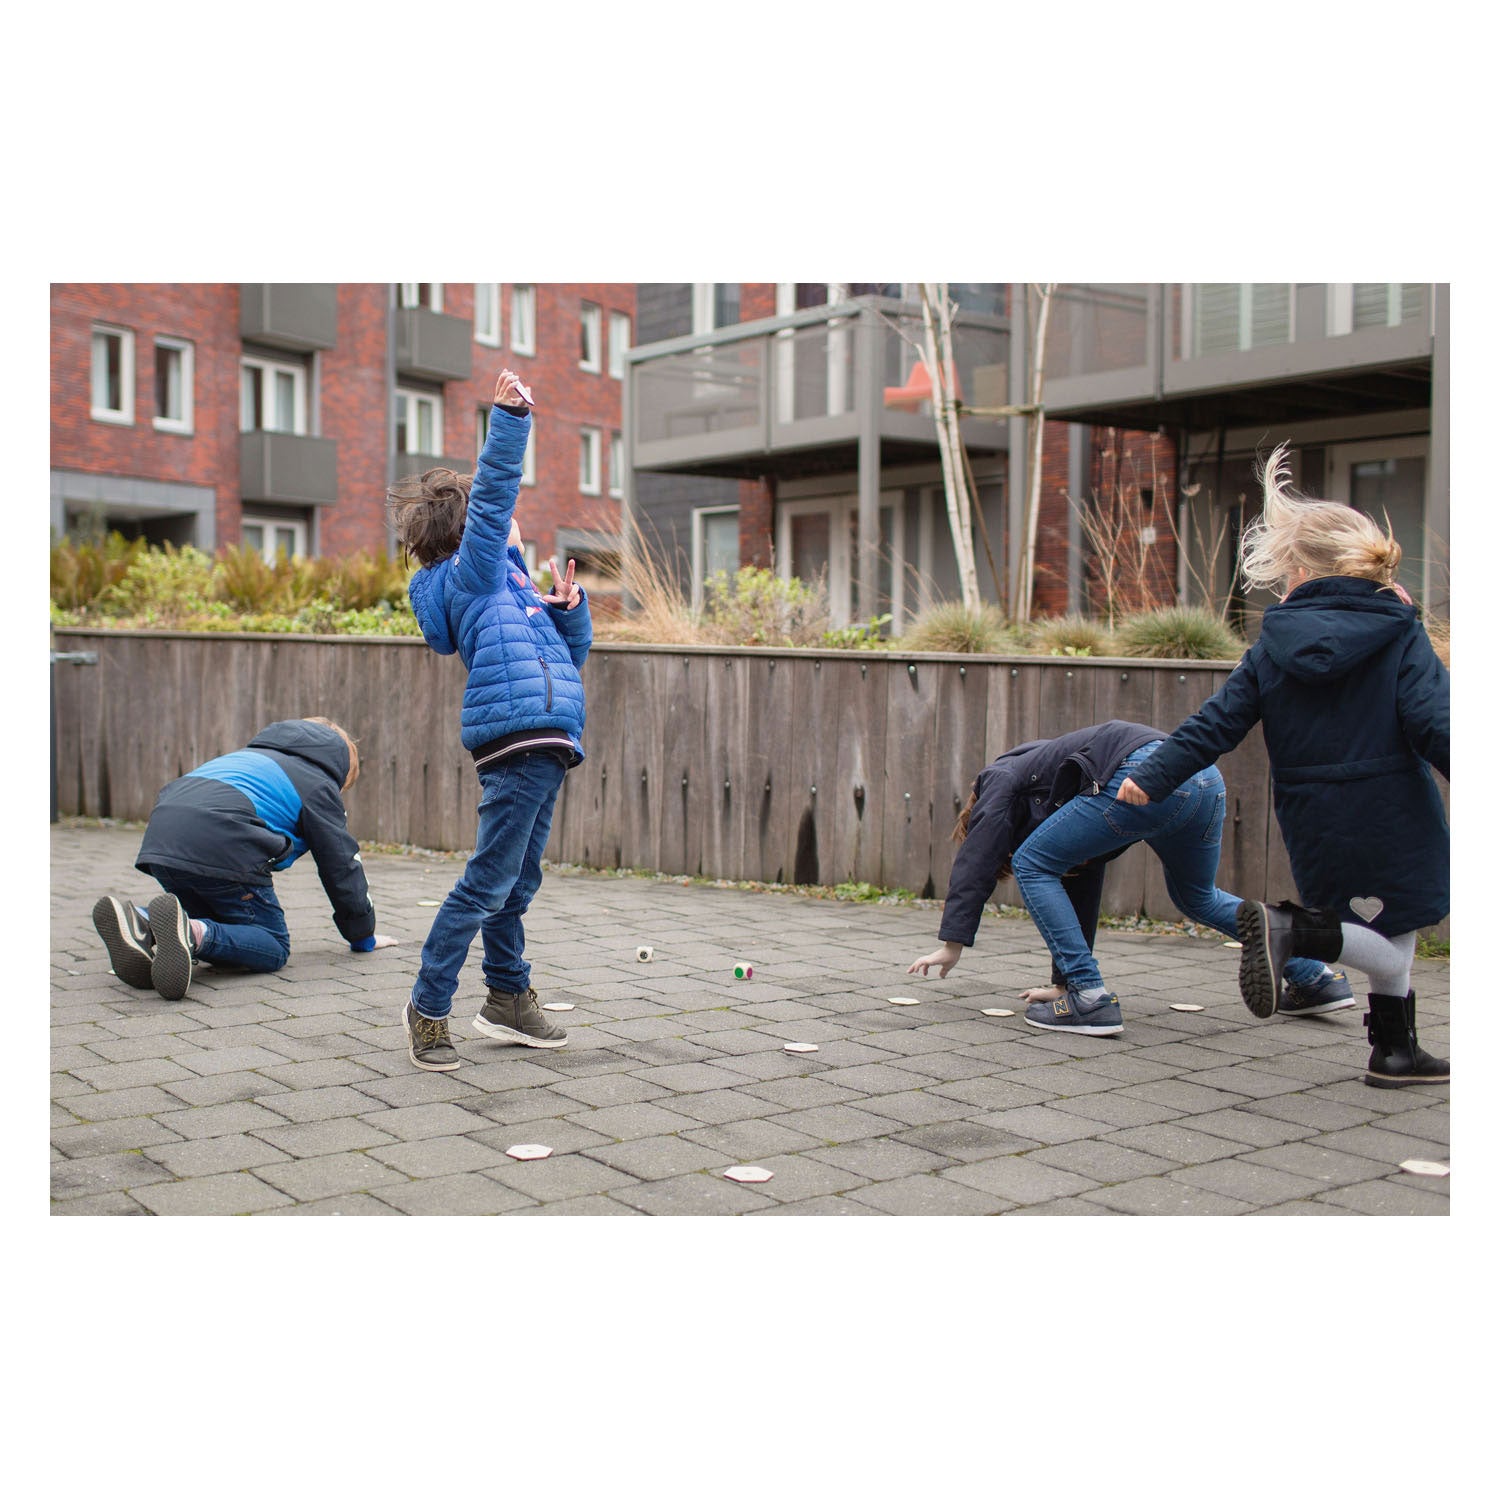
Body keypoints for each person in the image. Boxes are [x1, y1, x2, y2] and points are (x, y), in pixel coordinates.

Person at [1116, 442, 1449, 1088]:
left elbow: (1217, 724)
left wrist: (1153, 775)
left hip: (1314, 817)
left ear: (1301, 571)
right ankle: (1292, 932)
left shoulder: (1273, 645)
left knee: (1390, 934)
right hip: (1392, 811)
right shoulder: (1398, 632)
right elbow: (1436, 722)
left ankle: (1395, 1051)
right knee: (1392, 927)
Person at [388, 368, 591, 1073]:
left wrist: (573, 612)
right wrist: (508, 420)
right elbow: (497, 488)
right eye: (494, 516)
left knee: (516, 880)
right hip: (519, 740)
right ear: (469, 528)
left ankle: (506, 998)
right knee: (487, 882)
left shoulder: (511, 587)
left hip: (545, 740)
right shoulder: (473, 573)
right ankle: (429, 1006)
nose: (513, 520)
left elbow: (573, 659)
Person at [906, 720, 1349, 1035]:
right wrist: (1060, 985)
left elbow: (977, 857)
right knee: (1198, 897)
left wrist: (952, 944)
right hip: (1203, 779)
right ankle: (1314, 978)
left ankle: (1090, 999)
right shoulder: (1057, 786)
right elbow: (1083, 876)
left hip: (1145, 773)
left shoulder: (1000, 779)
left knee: (1032, 862)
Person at [91, 716, 395, 1002]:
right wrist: (362, 936)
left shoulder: (244, 758)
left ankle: (142, 920)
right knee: (273, 946)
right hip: (225, 846)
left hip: (163, 840)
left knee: (222, 923)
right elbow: (342, 865)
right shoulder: (318, 783)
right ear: (341, 766)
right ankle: (192, 934)